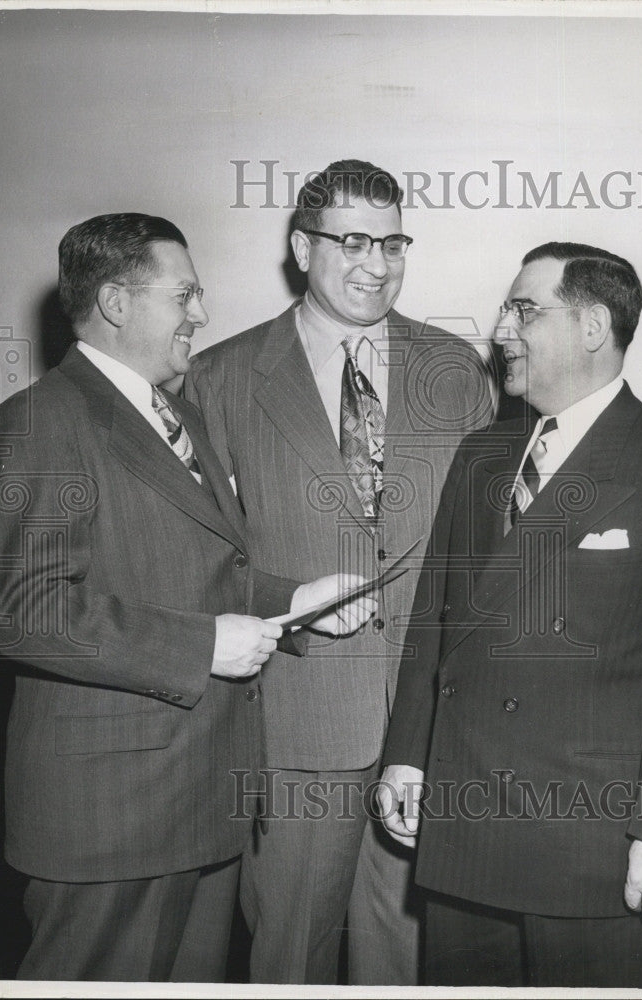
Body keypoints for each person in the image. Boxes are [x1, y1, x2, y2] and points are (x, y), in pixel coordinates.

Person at [0, 212, 374, 982]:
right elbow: (25, 613)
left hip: (201, 804)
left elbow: (198, 571)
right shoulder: (39, 423)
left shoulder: (177, 416)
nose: (203, 313)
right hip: (108, 823)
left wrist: (298, 596)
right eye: (184, 294)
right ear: (117, 303)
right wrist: (202, 647)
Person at [379, 241, 642, 987]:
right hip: (465, 834)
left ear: (591, 326)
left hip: (595, 850)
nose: (500, 329)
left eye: (523, 309)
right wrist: (407, 756)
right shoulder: (481, 455)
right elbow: (435, 623)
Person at [184, 160, 494, 984]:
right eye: (353, 240)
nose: (377, 262)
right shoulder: (220, 378)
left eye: (393, 242)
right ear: (300, 247)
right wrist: (285, 604)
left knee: (404, 962)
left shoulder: (455, 368)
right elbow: (200, 559)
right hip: (294, 721)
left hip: (426, 728)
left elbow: (486, 545)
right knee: (289, 952)